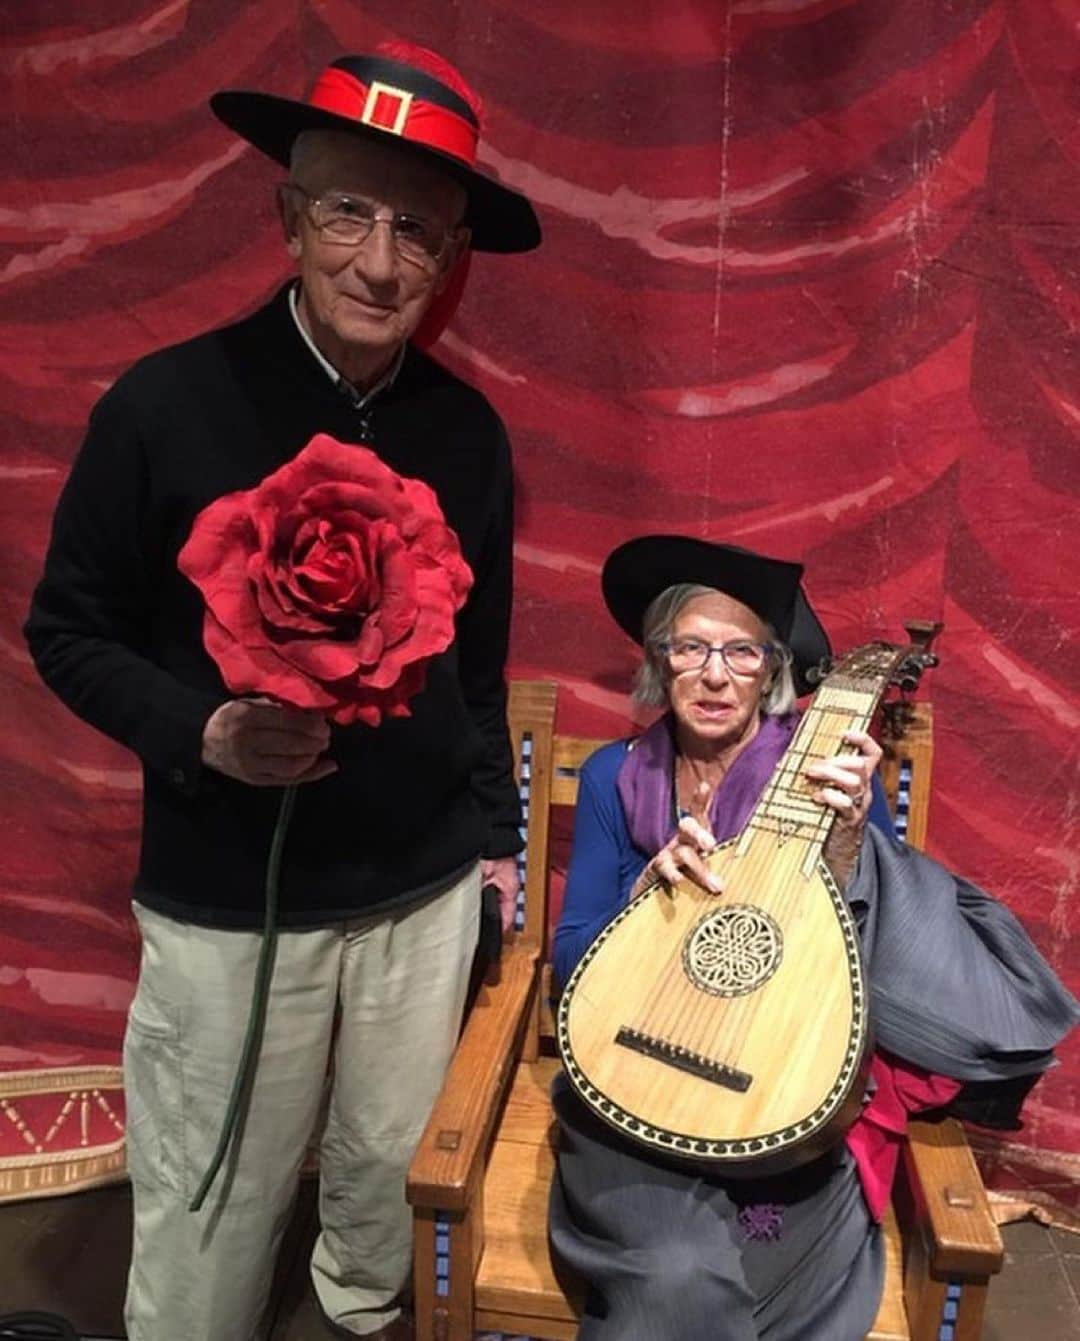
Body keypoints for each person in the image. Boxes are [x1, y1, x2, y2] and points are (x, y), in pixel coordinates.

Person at [24, 44, 540, 1341]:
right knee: (215, 1206)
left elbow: (476, 676)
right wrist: (197, 728)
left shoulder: (469, 436)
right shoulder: (165, 406)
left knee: (378, 1184)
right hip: (231, 901)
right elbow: (67, 630)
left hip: (421, 900)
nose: (379, 260)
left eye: (416, 227)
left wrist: (492, 848)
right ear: (289, 219)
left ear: (453, 252)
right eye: (349, 211)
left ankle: (356, 1317)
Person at [549, 535, 1079, 1341]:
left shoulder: (820, 777)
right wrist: (643, 894)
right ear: (661, 660)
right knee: (677, 1271)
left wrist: (847, 838)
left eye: (742, 650)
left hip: (777, 1089)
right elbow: (568, 960)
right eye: (691, 646)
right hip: (634, 1070)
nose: (716, 673)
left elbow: (867, 966)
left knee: (734, 1267)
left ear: (773, 668)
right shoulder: (612, 776)